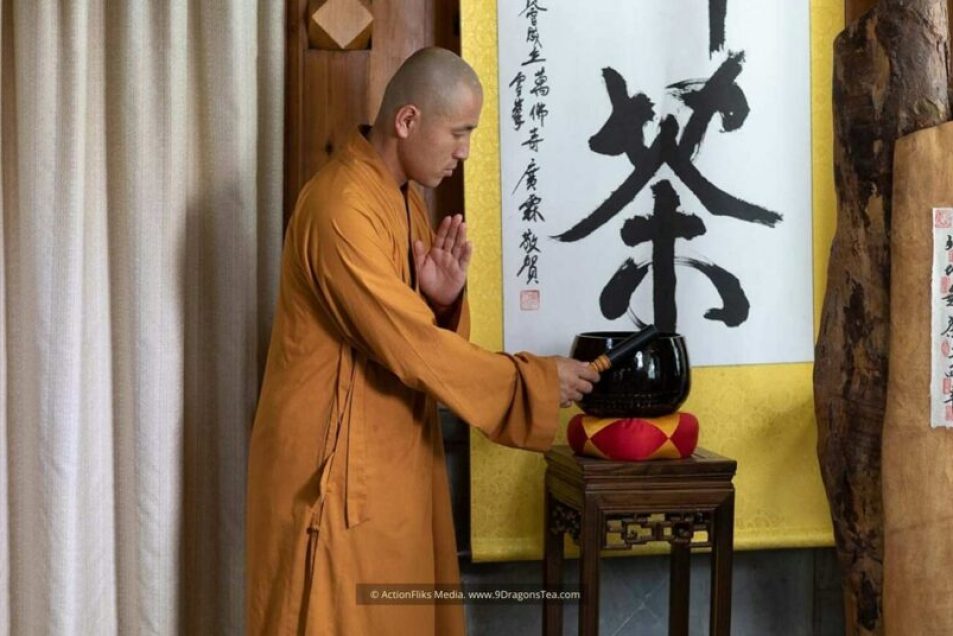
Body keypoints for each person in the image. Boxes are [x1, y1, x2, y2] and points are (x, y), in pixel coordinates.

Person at [246, 47, 599, 635]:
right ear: (407, 120)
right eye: (460, 132)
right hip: (332, 478)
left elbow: (413, 335)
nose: (465, 151)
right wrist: (532, 382)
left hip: (393, 464)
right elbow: (409, 345)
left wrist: (440, 301)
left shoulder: (404, 199)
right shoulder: (339, 207)